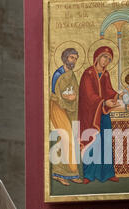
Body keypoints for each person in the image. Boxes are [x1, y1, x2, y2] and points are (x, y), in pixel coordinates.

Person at [78, 46, 121, 184]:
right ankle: (88, 175)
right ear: (97, 57)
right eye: (104, 57)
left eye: (109, 59)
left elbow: (108, 90)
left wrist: (116, 95)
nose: (106, 61)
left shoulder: (106, 74)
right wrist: (103, 103)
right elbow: (89, 95)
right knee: (92, 141)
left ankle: (107, 173)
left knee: (106, 141)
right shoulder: (88, 73)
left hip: (103, 113)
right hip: (91, 114)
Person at [50, 48, 83, 186]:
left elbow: (75, 91)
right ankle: (65, 173)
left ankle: (65, 173)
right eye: (71, 58)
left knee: (68, 137)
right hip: (58, 107)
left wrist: (73, 97)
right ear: (65, 58)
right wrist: (66, 97)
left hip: (69, 108)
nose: (73, 60)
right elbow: (55, 94)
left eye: (75, 58)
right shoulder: (58, 74)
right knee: (66, 136)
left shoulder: (72, 74)